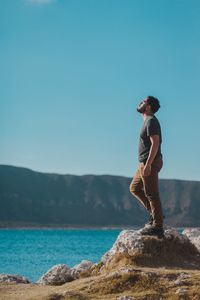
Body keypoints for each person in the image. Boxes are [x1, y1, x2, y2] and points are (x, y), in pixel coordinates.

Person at [129, 96, 164, 238]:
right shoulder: (147, 121)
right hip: (143, 163)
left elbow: (155, 142)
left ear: (148, 106)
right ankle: (156, 214)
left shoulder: (151, 121)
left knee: (152, 194)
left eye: (143, 101)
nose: (140, 102)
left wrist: (149, 164)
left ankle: (158, 227)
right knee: (134, 188)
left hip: (150, 162)